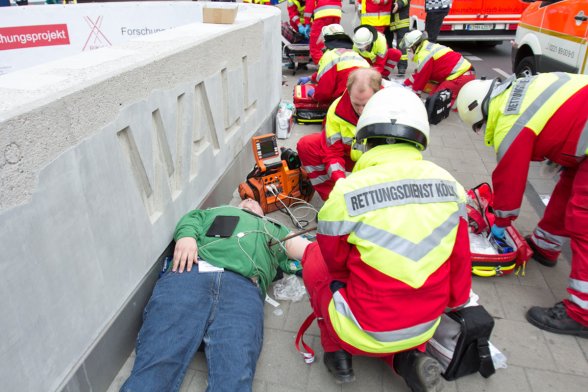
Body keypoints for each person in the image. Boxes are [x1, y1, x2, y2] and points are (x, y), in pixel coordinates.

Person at [302, 86, 472, 389]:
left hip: (362, 327)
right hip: (426, 326)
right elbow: (460, 263)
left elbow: (336, 264)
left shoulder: (347, 191)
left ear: (365, 137)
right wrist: (456, 302)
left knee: (314, 259)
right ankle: (407, 359)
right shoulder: (452, 186)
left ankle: (336, 352)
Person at [120, 199, 311, 392]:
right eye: (246, 199)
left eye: (256, 202)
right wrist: (186, 237)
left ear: (263, 212)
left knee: (235, 376)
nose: (250, 201)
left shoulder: (273, 228)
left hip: (242, 289)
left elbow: (310, 252)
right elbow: (191, 219)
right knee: (155, 363)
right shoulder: (217, 211)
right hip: (189, 274)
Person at [456, 73, 588, 339]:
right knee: (566, 194)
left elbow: (510, 179)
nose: (482, 132)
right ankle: (544, 246)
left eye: (479, 126)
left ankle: (581, 314)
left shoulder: (508, 121)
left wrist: (502, 223)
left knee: (583, 219)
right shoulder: (515, 94)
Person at [297, 68, 381, 201]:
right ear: (348, 92)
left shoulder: (391, 107)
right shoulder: (336, 111)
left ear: (377, 94)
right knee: (308, 145)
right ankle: (335, 200)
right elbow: (332, 153)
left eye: (365, 104)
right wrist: (341, 182)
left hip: (379, 162)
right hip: (351, 156)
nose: (361, 110)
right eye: (356, 104)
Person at [297, 24, 370, 105]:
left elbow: (324, 93)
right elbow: (334, 71)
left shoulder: (330, 55)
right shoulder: (353, 53)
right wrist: (311, 77)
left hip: (351, 101)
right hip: (369, 98)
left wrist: (314, 95)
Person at [401, 29, 474, 106]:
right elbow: (418, 75)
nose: (410, 51)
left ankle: (461, 110)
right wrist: (404, 84)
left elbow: (420, 80)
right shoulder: (427, 48)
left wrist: (414, 96)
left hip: (459, 76)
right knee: (432, 99)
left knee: (436, 104)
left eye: (410, 49)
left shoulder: (424, 55)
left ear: (414, 46)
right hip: (461, 74)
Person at [304, 0, 343, 64]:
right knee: (333, 40)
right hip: (337, 10)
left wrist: (307, 23)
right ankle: (334, 65)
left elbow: (310, 4)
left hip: (323, 12)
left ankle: (322, 68)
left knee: (315, 46)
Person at [387, 0, 410, 75]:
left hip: (401, 19)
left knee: (401, 43)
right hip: (388, 19)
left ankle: (402, 67)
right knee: (387, 42)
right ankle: (388, 65)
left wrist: (399, 4)